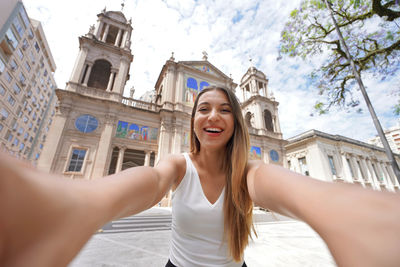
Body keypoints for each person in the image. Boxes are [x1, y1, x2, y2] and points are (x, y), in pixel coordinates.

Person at [1, 86, 400, 267]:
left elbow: (285, 187)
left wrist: (345, 209)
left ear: (237, 122)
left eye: (225, 109)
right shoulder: (177, 164)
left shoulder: (249, 172)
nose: (213, 116)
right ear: (191, 121)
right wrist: (78, 203)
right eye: (203, 108)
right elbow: (150, 181)